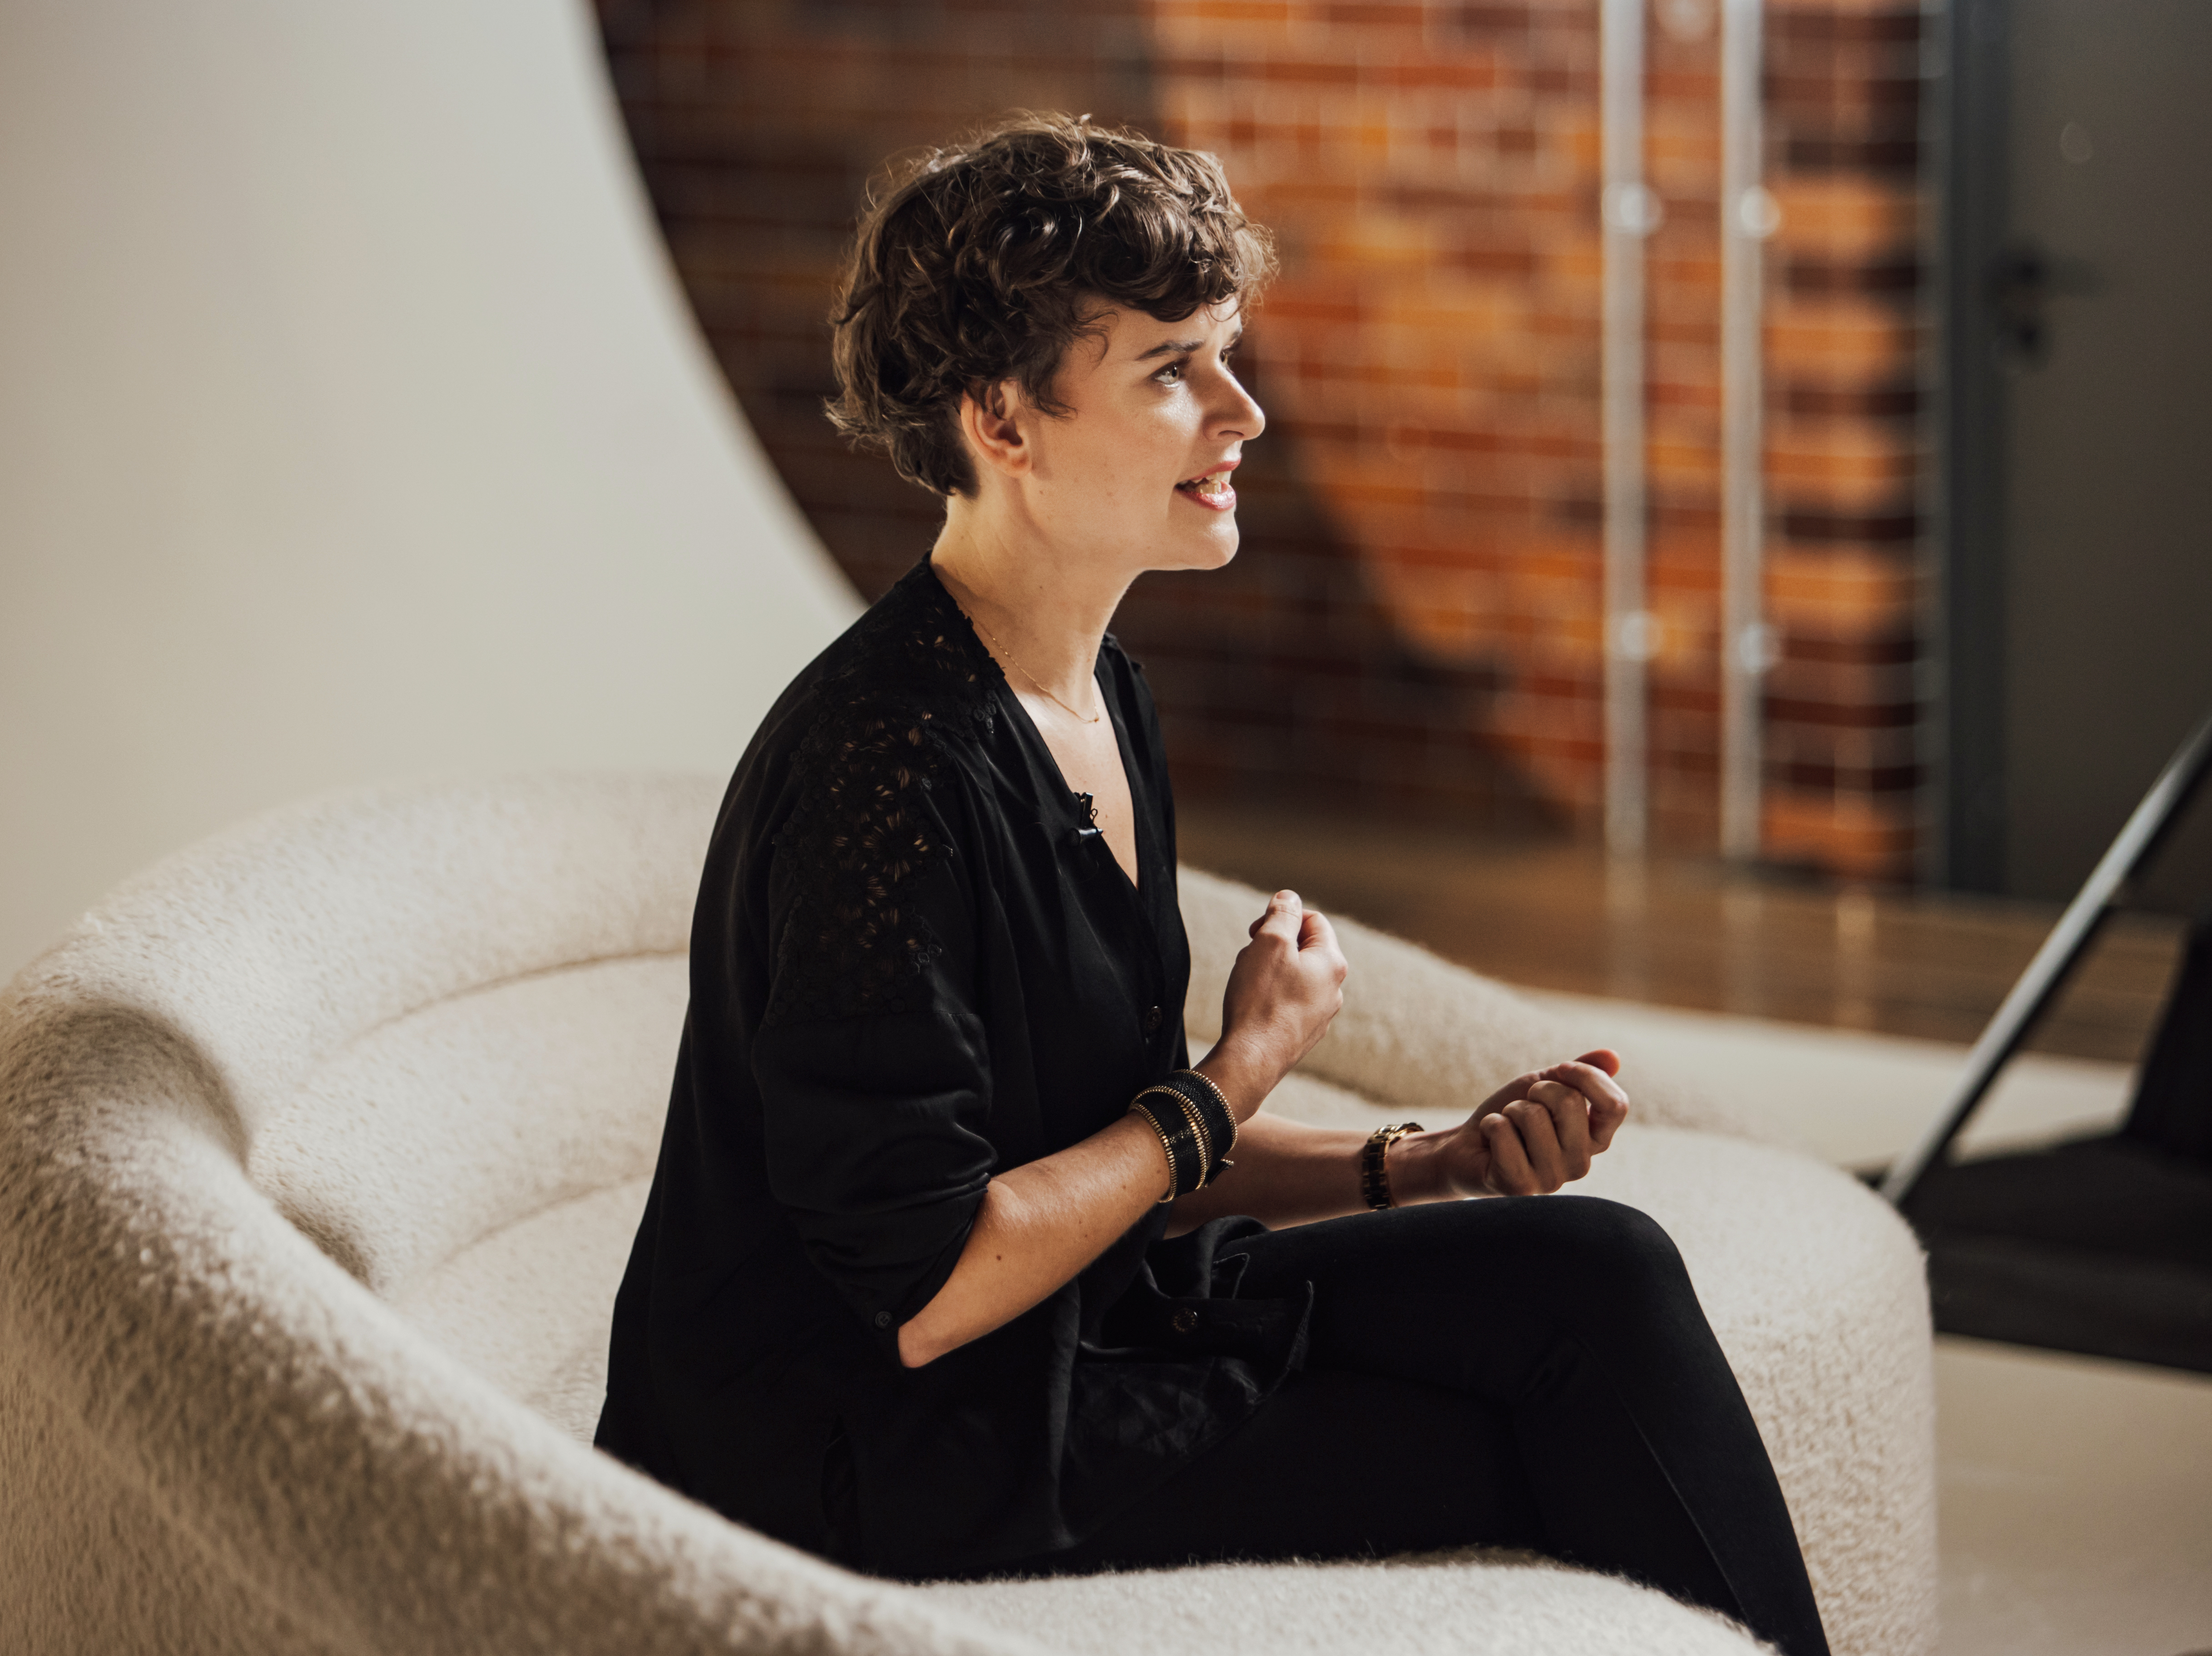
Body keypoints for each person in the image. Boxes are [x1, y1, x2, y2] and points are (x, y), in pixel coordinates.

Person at [595, 113, 1830, 1656]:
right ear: (1004, 420)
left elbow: (1107, 1156)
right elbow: (935, 1284)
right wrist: (1244, 1066)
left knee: (1596, 1268)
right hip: (871, 1454)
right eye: (1173, 368)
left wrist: (1423, 1162)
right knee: (1534, 1439)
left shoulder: (1096, 683)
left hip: (1064, 1333)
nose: (1244, 412)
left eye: (1228, 353)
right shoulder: (882, 773)